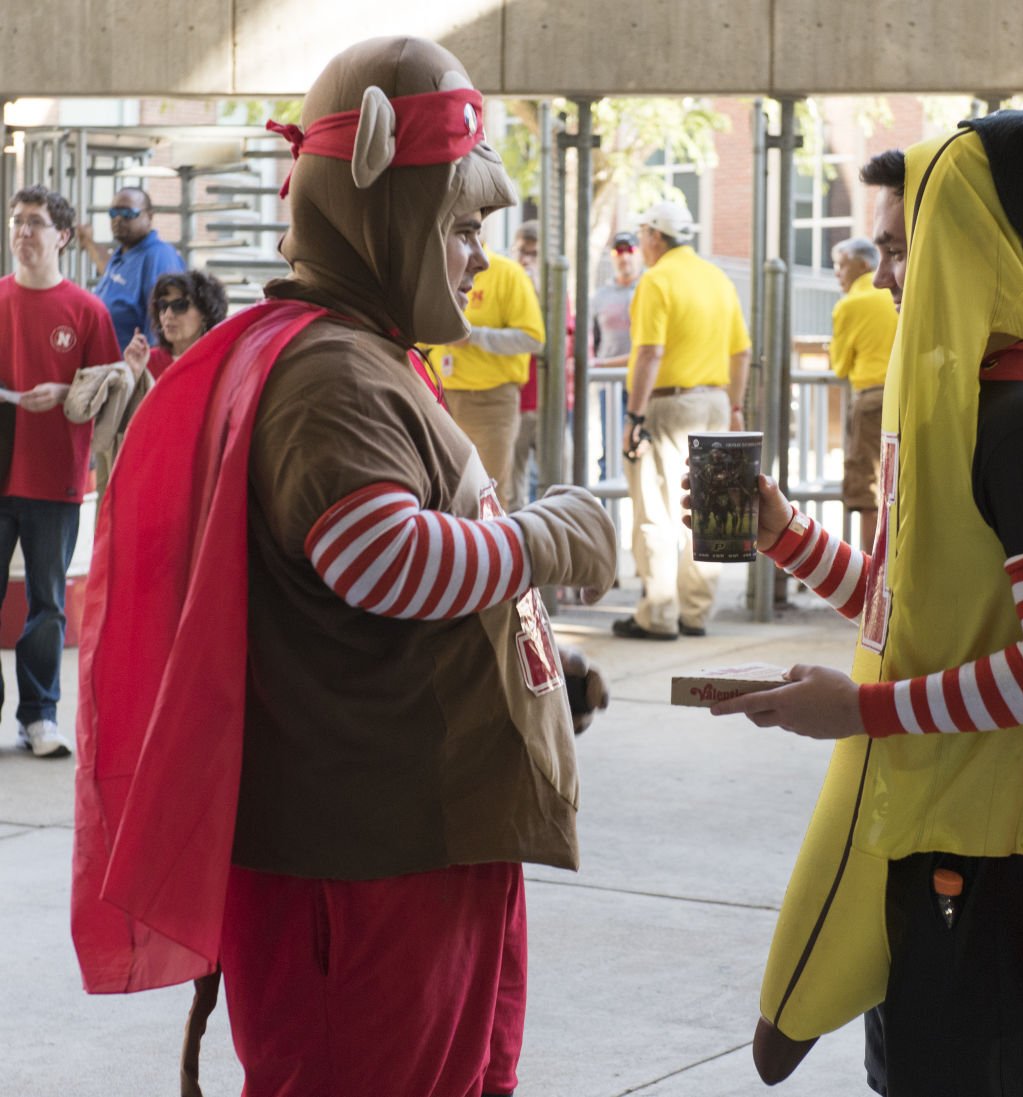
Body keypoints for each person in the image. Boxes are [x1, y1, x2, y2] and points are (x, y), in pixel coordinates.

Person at [71, 36, 617, 1097]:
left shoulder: (350, 350)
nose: (472, 255)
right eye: (459, 226)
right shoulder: (331, 371)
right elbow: (381, 558)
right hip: (366, 871)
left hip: (410, 845)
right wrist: (552, 539)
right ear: (387, 213)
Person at [707, 112, 1023, 1097]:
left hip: (989, 848)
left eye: (892, 248)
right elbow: (932, 612)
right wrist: (788, 535)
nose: (881, 278)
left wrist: (862, 709)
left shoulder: (1022, 418)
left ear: (954, 241)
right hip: (983, 835)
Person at [0, 185, 120, 757]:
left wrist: (69, 389)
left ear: (63, 236)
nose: (23, 231)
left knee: (47, 604)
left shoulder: (88, 311)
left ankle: (39, 717)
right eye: (17, 221)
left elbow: (110, 391)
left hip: (56, 478)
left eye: (36, 222)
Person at [614, 199, 750, 640]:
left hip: (670, 404)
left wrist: (634, 414)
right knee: (710, 508)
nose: (639, 243)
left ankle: (658, 614)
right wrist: (734, 405)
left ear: (656, 236)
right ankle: (695, 612)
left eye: (641, 234)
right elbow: (741, 351)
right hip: (714, 403)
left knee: (656, 509)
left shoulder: (656, 281)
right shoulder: (717, 278)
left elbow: (650, 352)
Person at [63, 269, 229, 499]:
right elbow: (118, 433)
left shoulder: (223, 364)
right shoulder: (146, 361)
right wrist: (132, 373)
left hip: (201, 482)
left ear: (205, 313)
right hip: (149, 482)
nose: (168, 314)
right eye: (163, 306)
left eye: (180, 305)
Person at [428, 221, 545, 512]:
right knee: (445, 493)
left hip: (492, 401)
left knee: (488, 495)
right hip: (441, 397)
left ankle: (493, 557)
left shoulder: (507, 273)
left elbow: (532, 339)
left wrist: (472, 337)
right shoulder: (438, 268)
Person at [826, 237, 898, 553]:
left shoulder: (850, 305)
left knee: (868, 491)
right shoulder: (897, 292)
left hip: (870, 399)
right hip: (907, 396)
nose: (837, 273)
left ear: (864, 264)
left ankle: (871, 574)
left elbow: (840, 366)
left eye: (841, 265)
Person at [508, 219, 574, 511]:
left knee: (557, 488)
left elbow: (562, 341)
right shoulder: (507, 287)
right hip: (514, 400)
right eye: (522, 252)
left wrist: (537, 291)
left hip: (550, 403)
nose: (526, 261)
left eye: (533, 254)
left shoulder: (556, 295)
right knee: (511, 491)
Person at [77, 186, 184, 350]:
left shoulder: (158, 256)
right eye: (113, 213)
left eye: (128, 214)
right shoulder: (124, 252)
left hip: (131, 369)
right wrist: (89, 243)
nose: (118, 219)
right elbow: (114, 274)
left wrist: (145, 371)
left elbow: (163, 325)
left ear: (149, 217)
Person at [592, 231, 640, 477]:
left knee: (639, 448)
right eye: (618, 251)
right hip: (609, 386)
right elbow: (594, 338)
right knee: (608, 451)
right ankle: (606, 514)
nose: (624, 258)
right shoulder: (601, 296)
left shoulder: (647, 289)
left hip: (641, 381)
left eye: (629, 250)